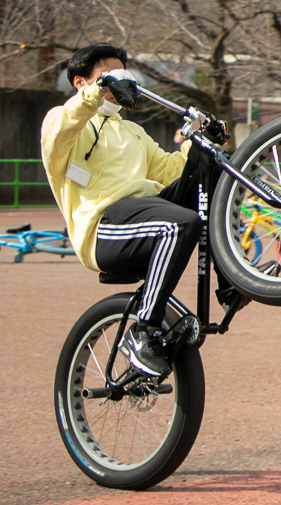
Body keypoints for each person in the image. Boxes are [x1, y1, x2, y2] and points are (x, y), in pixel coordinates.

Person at [41, 43, 236, 378]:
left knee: (208, 167)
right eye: (108, 74)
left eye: (123, 74)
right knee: (178, 224)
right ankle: (143, 332)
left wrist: (202, 140)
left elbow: (171, 170)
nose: (121, 81)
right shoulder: (62, 121)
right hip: (103, 228)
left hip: (145, 212)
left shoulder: (133, 132)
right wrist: (96, 92)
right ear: (80, 82)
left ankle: (229, 284)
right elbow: (67, 125)